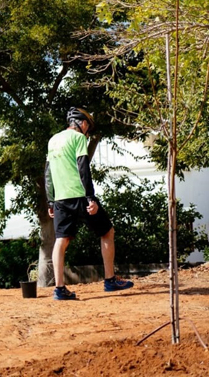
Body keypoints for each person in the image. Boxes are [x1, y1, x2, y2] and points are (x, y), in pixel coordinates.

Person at [45, 107, 134, 300]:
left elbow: (48, 173)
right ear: (82, 124)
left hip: (60, 198)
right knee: (107, 231)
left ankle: (59, 289)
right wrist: (91, 198)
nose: (87, 130)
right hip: (79, 196)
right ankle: (110, 280)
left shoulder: (53, 140)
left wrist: (50, 201)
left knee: (61, 240)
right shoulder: (79, 139)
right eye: (88, 126)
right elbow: (83, 168)